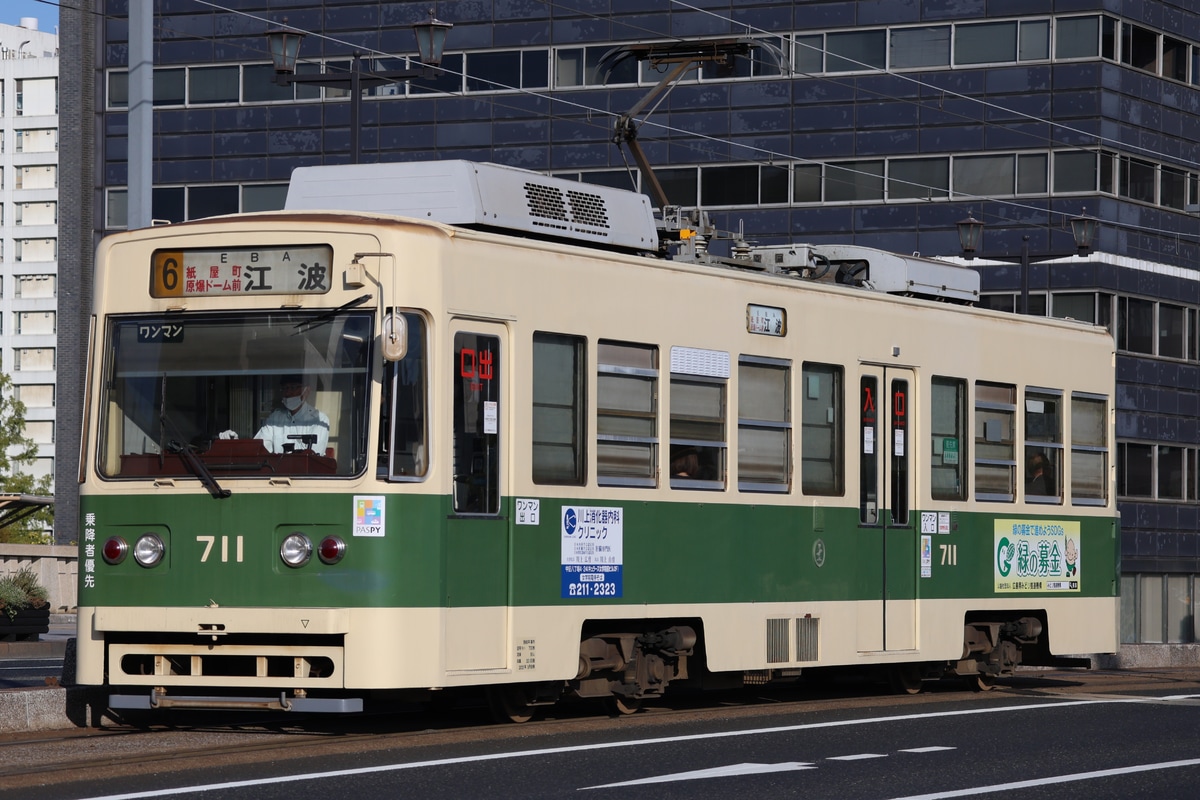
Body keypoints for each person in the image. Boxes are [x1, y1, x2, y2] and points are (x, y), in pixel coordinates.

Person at [254, 374, 330, 455]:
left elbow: (313, 457)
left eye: (293, 387)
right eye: (284, 388)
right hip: (277, 467)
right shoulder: (275, 418)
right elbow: (258, 448)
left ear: (306, 391)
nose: (288, 392)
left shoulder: (319, 420)